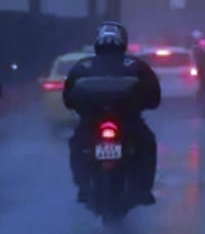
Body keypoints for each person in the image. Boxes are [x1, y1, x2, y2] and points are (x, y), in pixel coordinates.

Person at [63, 21, 161, 205]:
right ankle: (143, 190)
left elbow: (68, 99)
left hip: (97, 122)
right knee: (147, 144)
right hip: (127, 122)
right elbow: (154, 97)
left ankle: (83, 187)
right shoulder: (136, 65)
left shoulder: (83, 66)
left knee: (77, 144)